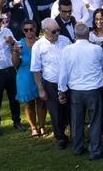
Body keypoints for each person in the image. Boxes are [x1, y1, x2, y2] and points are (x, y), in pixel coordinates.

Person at [57, 23, 103, 160]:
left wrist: (61, 91)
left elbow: (63, 73)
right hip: (93, 90)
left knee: (76, 120)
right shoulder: (96, 49)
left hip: (76, 91)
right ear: (87, 34)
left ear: (75, 35)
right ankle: (95, 150)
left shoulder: (67, 50)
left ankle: (77, 147)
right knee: (95, 120)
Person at [31, 17, 73, 149]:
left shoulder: (66, 41)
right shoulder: (38, 46)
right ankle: (60, 137)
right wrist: (41, 89)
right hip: (51, 83)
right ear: (45, 31)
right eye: (54, 31)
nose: (57, 34)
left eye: (58, 30)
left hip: (69, 83)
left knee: (72, 110)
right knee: (55, 113)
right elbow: (36, 69)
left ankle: (75, 134)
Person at [11, 20, 47, 137]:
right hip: (25, 75)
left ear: (36, 29)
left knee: (41, 103)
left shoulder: (42, 42)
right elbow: (15, 64)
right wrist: (15, 53)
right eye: (26, 30)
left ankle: (42, 126)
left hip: (40, 74)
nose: (29, 32)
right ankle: (33, 127)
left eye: (31, 29)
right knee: (29, 104)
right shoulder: (19, 44)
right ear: (23, 31)